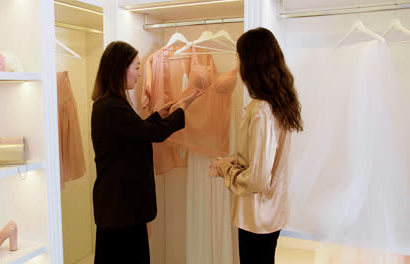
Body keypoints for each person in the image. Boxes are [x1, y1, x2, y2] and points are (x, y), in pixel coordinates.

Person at [90, 41, 202, 264]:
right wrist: (180, 110)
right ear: (121, 69)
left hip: (120, 206)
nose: (139, 74)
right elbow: (152, 134)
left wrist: (161, 114)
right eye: (136, 67)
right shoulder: (111, 106)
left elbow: (136, 132)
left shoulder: (109, 104)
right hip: (119, 207)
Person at [209, 27, 303, 264]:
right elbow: (263, 159)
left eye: (238, 57)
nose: (237, 64)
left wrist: (224, 169)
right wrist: (234, 159)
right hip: (270, 212)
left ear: (251, 62)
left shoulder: (261, 110)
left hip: (257, 216)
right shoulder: (277, 103)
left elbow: (258, 179)